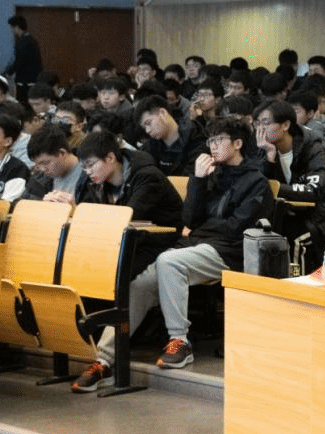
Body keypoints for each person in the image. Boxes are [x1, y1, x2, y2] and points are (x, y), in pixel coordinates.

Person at [73, 118, 269, 390]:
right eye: (210, 140)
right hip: (195, 245)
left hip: (230, 251)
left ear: (237, 144)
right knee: (139, 283)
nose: (212, 146)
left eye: (219, 140)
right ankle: (105, 360)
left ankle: (180, 340)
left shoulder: (256, 181)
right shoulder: (209, 175)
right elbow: (189, 219)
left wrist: (201, 228)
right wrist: (198, 180)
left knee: (169, 260)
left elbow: (237, 228)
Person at [255, 100, 325, 265]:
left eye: (265, 123)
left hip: (322, 218)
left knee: (294, 239)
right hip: (286, 215)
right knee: (254, 234)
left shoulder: (312, 147)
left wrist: (277, 189)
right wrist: (269, 160)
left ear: (285, 125)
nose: (260, 130)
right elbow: (258, 188)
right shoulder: (265, 149)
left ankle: (296, 280)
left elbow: (314, 192)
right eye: (257, 124)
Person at [134, 95, 205, 176]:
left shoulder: (196, 138)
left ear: (163, 113)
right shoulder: (149, 148)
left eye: (148, 123)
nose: (147, 130)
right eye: (144, 127)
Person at [24, 124, 85, 200]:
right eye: (37, 165)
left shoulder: (89, 176)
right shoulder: (41, 179)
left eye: (45, 163)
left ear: (62, 153)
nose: (42, 169)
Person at [4, 15, 43, 103]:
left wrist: (8, 72)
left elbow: (19, 61)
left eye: (12, 28)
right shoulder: (32, 40)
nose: (11, 31)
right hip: (34, 78)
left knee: (23, 102)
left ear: (17, 27)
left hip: (25, 80)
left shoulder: (22, 42)